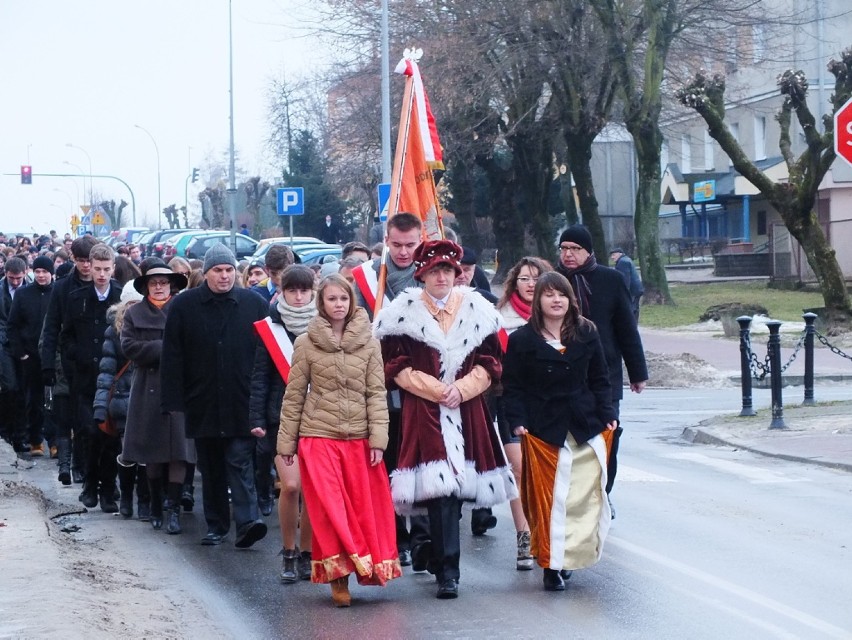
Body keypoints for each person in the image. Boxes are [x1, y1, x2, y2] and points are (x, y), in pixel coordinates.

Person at [375, 239, 517, 600]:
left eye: (448, 271)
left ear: (457, 274)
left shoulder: (478, 310)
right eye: (435, 271)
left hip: (468, 410)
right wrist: (438, 391)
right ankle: (445, 570)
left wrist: (463, 389)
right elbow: (394, 366)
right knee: (438, 493)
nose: (442, 277)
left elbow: (491, 362)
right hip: (423, 411)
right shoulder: (401, 314)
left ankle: (444, 563)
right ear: (422, 274)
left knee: (455, 492)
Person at [278, 274, 400, 607]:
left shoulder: (370, 342)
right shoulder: (305, 343)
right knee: (331, 511)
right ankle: (337, 577)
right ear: (322, 303)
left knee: (361, 509)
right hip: (318, 436)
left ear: (351, 302)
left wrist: (378, 439)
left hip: (359, 438)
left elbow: (377, 393)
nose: (338, 305)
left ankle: (362, 565)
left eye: (343, 299)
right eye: (331, 299)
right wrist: (286, 445)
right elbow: (293, 397)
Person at [502, 271, 617, 591]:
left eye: (562, 294)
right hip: (544, 430)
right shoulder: (522, 340)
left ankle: (568, 558)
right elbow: (513, 388)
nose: (556, 300)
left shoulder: (586, 333)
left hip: (584, 425)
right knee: (549, 501)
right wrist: (517, 420)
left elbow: (600, 379)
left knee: (582, 498)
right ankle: (550, 564)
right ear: (537, 301)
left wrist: (607, 415)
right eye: (549, 294)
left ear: (570, 300)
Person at [161, 243, 269, 547]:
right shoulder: (184, 306)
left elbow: (266, 353)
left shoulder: (253, 304)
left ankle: (248, 521)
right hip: (202, 399)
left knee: (239, 459)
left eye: (229, 270)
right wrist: (172, 401)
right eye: (218, 270)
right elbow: (173, 355)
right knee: (210, 467)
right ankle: (217, 525)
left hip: (242, 398)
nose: (224, 276)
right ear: (206, 273)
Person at [555, 225, 647, 515]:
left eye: (575, 249)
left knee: (608, 435)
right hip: (560, 374)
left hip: (604, 373)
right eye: (564, 248)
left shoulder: (610, 279)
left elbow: (626, 329)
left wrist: (637, 372)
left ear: (588, 251)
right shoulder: (553, 282)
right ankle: (570, 497)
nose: (569, 255)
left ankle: (603, 493)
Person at [351, 212, 423, 567]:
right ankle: (398, 535)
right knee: (390, 462)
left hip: (424, 384)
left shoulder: (431, 273)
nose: (404, 252)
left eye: (411, 245)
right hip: (381, 386)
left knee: (423, 460)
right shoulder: (367, 279)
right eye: (397, 245)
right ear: (386, 240)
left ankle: (424, 534)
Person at [250, 264, 317, 583]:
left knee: (314, 491)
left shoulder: (326, 325)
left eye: (305, 290)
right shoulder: (270, 328)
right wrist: (257, 419)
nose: (299, 296)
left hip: (320, 418)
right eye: (293, 290)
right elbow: (260, 377)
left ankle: (307, 553)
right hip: (281, 420)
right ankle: (288, 551)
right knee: (291, 486)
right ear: (282, 292)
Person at [122, 264, 194, 533]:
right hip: (148, 387)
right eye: (154, 283)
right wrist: (165, 349)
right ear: (146, 287)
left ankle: (173, 508)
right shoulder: (134, 313)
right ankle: (155, 504)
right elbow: (129, 347)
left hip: (179, 386)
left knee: (179, 451)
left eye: (164, 282)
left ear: (172, 285)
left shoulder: (183, 309)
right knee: (152, 452)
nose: (160, 287)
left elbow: (194, 345)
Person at [494, 256, 553, 570]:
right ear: (514, 283)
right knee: (519, 469)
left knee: (549, 471)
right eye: (525, 279)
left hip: (549, 404)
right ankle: (524, 535)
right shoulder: (499, 318)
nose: (531, 285)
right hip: (511, 402)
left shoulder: (558, 314)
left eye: (537, 278)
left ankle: (548, 531)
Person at [61, 243, 122, 512]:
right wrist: (75, 359)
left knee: (109, 436)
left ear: (113, 269)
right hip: (85, 378)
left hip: (113, 379)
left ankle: (108, 489)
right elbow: (67, 335)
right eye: (97, 268)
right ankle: (89, 483)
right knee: (89, 432)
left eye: (106, 269)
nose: (100, 274)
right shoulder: (77, 297)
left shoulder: (121, 296)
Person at [40, 235, 100, 484]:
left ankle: (81, 465)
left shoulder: (104, 285)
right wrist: (47, 364)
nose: (86, 266)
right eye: (82, 260)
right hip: (66, 359)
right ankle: (65, 464)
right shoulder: (62, 288)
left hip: (94, 362)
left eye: (90, 261)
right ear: (74, 259)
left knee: (88, 421)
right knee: (65, 414)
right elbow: (52, 326)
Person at [92, 281, 147, 520]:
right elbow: (106, 372)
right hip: (124, 402)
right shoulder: (114, 331)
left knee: (147, 455)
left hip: (148, 398)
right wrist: (101, 405)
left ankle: (145, 501)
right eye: (131, 304)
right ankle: (126, 496)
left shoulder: (153, 325)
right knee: (128, 453)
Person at [7, 256, 55, 456]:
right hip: (30, 355)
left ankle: (55, 441)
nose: (41, 275)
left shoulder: (59, 292)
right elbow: (13, 326)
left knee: (56, 400)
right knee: (33, 399)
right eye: (38, 271)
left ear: (51, 273)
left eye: (45, 271)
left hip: (54, 355)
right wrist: (21, 353)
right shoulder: (23, 294)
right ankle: (36, 440)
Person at [0, 257, 29, 452]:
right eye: (12, 278)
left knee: (24, 391)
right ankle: (6, 431)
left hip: (26, 345)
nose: (16, 282)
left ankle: (20, 435)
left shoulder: (31, 290)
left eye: (19, 278)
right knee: (10, 387)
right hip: (4, 344)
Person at [610, 248, 644, 321]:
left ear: (620, 254)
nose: (612, 257)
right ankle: (634, 328)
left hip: (632, 291)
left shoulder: (622, 262)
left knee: (630, 310)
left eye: (613, 255)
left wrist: (624, 293)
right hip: (636, 290)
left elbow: (625, 280)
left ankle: (631, 328)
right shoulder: (626, 259)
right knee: (634, 310)